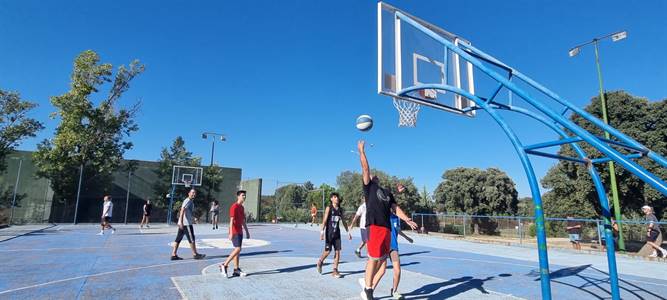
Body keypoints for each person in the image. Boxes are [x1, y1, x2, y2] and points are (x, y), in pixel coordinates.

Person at [357, 140, 418, 300]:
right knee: (373, 258)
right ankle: (368, 289)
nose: (373, 175)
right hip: (375, 226)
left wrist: (407, 219)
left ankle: (367, 284)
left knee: (382, 263)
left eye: (374, 175)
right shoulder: (369, 188)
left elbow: (395, 208)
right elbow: (365, 168)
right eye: (371, 175)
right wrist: (361, 151)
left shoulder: (386, 192)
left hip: (387, 229)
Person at [362, 211, 414, 300]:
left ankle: (394, 291)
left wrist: (407, 237)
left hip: (393, 247)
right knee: (381, 270)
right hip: (383, 246)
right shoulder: (381, 216)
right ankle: (369, 289)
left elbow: (397, 229)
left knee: (397, 270)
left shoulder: (395, 217)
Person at [316, 192, 352, 278]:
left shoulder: (340, 210)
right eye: (334, 197)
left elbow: (344, 221)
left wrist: (348, 232)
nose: (336, 198)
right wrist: (322, 232)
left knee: (338, 251)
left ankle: (335, 270)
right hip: (329, 234)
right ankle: (320, 261)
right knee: (328, 251)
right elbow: (324, 221)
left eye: (337, 197)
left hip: (337, 235)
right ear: (331, 199)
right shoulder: (329, 208)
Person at [220, 190, 251, 278]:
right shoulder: (234, 206)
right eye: (242, 195)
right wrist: (230, 232)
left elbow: (243, 221)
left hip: (240, 231)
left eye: (245, 195)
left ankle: (236, 269)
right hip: (235, 231)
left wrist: (247, 231)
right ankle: (224, 265)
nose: (244, 197)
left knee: (237, 251)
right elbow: (231, 220)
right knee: (238, 249)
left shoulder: (242, 207)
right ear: (238, 196)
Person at [170, 189, 206, 260]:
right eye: (192, 193)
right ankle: (195, 254)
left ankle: (173, 254)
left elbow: (187, 212)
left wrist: (193, 218)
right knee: (191, 238)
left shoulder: (191, 202)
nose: (194, 194)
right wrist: (181, 222)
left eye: (195, 193)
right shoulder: (188, 201)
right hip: (186, 224)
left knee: (178, 238)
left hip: (184, 223)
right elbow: (182, 210)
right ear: (188, 193)